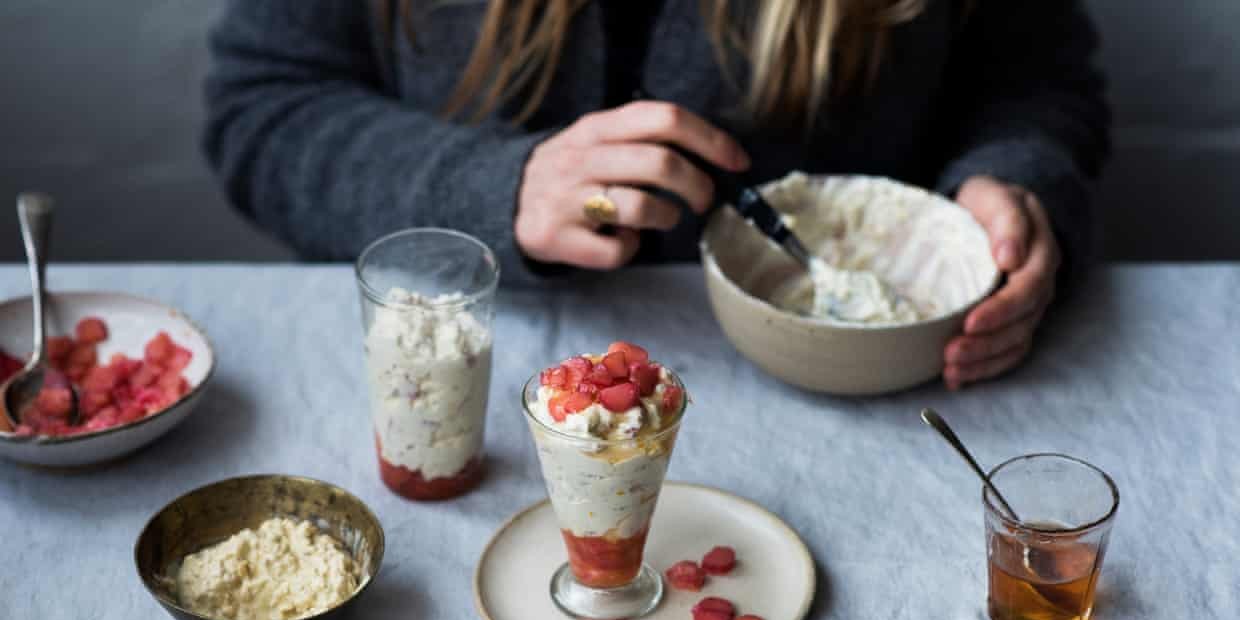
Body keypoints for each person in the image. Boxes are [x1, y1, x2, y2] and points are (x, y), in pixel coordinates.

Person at [204, 0, 1109, 389]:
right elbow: (264, 107)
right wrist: (493, 190)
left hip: (869, 401)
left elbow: (1038, 84)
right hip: (476, 372)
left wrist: (1018, 180)